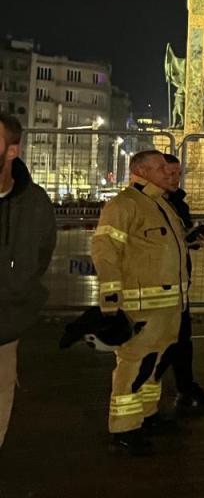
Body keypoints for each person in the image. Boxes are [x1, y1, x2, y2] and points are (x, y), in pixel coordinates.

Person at [90, 150, 188, 455]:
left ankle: (147, 414)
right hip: (141, 305)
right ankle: (124, 429)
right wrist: (110, 300)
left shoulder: (160, 203)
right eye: (161, 168)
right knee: (134, 366)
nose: (168, 172)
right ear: (142, 171)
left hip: (169, 306)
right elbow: (105, 251)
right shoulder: (124, 205)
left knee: (156, 364)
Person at [0, 114, 55, 451]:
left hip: (4, 333)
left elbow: (40, 257)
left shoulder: (34, 203)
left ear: (12, 151)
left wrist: (17, 297)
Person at [154, 154, 204, 411]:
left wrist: (194, 239)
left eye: (178, 173)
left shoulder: (179, 203)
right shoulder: (145, 204)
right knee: (159, 343)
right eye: (169, 173)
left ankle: (185, 387)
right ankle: (149, 394)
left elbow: (181, 240)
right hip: (154, 285)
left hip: (179, 282)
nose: (175, 178)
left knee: (182, 338)